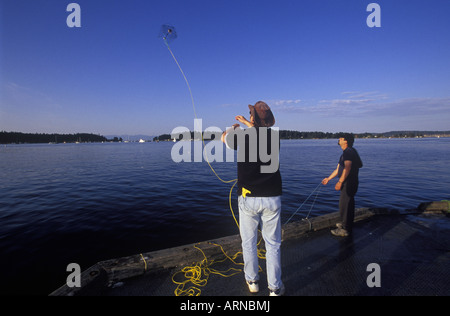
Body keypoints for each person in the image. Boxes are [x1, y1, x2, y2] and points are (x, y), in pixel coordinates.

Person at [221, 101, 284, 296]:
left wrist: (233, 127)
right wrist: (249, 123)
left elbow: (223, 139)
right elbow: (260, 133)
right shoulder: (274, 137)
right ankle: (275, 288)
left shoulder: (242, 136)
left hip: (248, 198)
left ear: (253, 118)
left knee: (248, 242)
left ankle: (253, 281)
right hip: (272, 197)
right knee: (272, 244)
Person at [322, 133, 363, 237]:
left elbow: (347, 168)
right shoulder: (348, 152)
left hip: (348, 183)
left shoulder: (348, 152)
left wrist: (340, 182)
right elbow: (338, 169)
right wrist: (328, 178)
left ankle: (344, 229)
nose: (339, 139)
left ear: (346, 141)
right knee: (346, 204)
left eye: (341, 138)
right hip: (350, 182)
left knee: (345, 205)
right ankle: (347, 223)